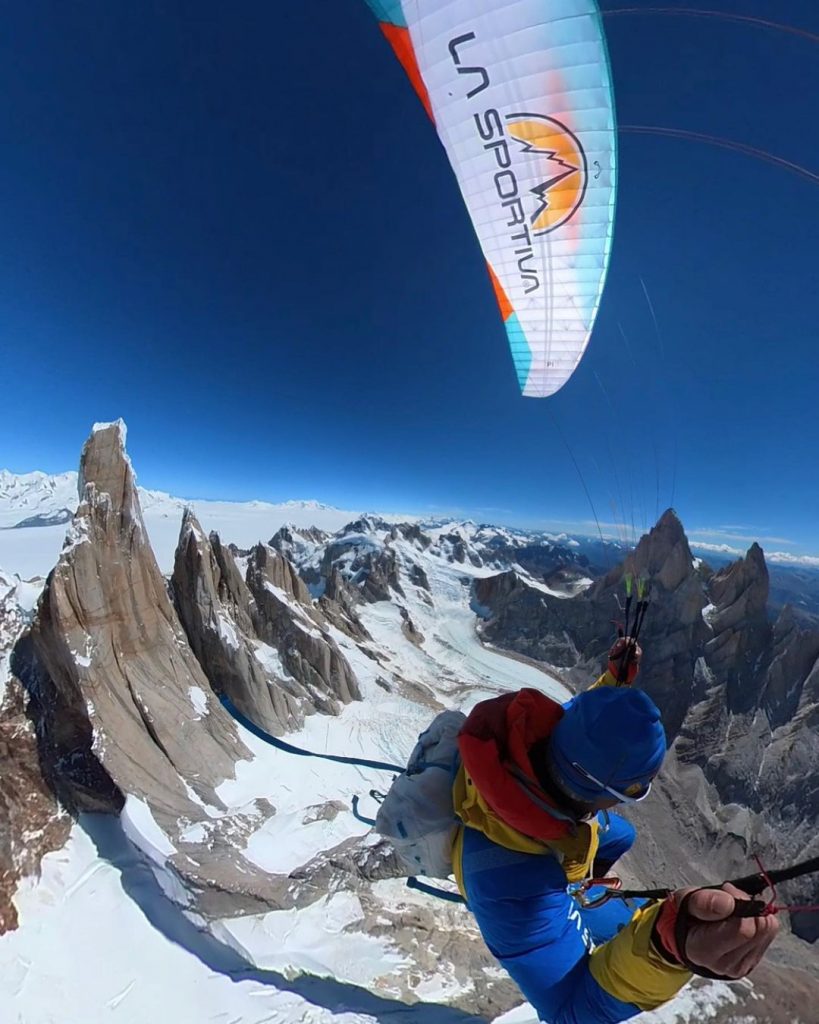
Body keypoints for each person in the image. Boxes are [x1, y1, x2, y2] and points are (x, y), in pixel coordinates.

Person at [449, 640, 779, 1023]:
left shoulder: (534, 732)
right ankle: (577, 895)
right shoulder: (515, 891)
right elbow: (568, 1011)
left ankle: (581, 884)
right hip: (513, 876)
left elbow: (582, 719)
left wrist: (615, 685)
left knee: (622, 835)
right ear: (610, 794)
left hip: (535, 828)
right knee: (627, 913)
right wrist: (664, 951)